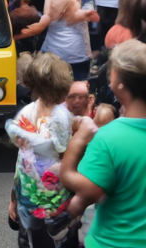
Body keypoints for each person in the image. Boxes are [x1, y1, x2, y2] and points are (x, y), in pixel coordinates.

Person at [58, 40, 146, 248]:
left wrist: (78, 140)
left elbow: (87, 189)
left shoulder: (109, 137)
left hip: (113, 241)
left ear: (119, 83)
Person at [6, 52, 75, 248]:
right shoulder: (61, 117)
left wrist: (13, 199)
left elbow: (21, 163)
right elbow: (66, 157)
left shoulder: (25, 113)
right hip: (55, 198)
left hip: (27, 195)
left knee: (29, 240)